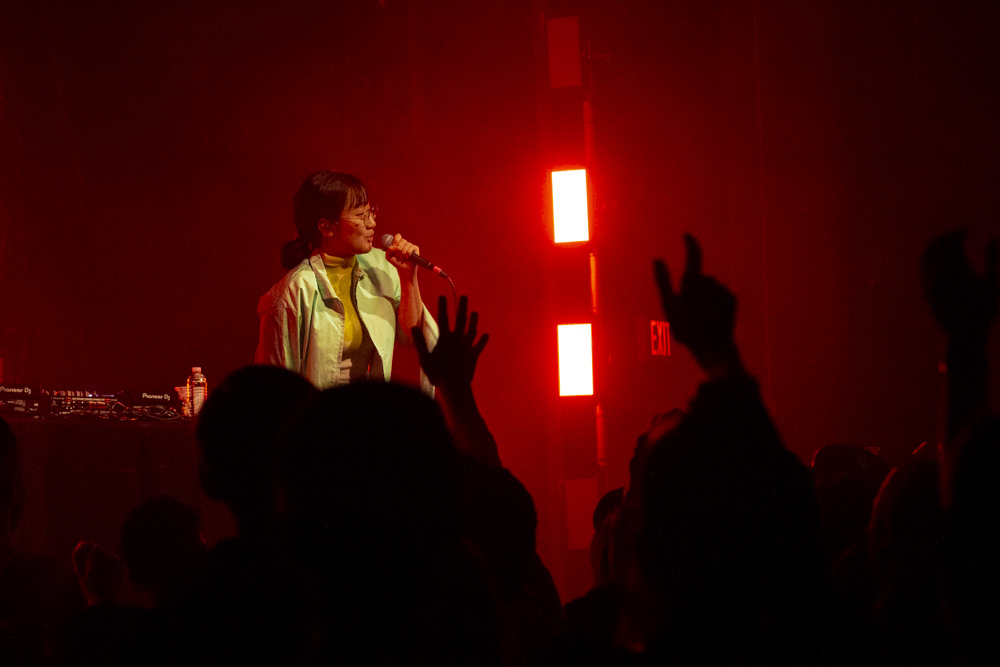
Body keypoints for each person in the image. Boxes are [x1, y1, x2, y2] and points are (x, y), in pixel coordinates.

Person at [255, 170, 438, 390]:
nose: (372, 223)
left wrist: (409, 277)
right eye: (361, 215)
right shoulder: (292, 292)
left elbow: (413, 336)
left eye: (371, 212)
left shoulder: (381, 267)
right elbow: (274, 385)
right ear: (327, 227)